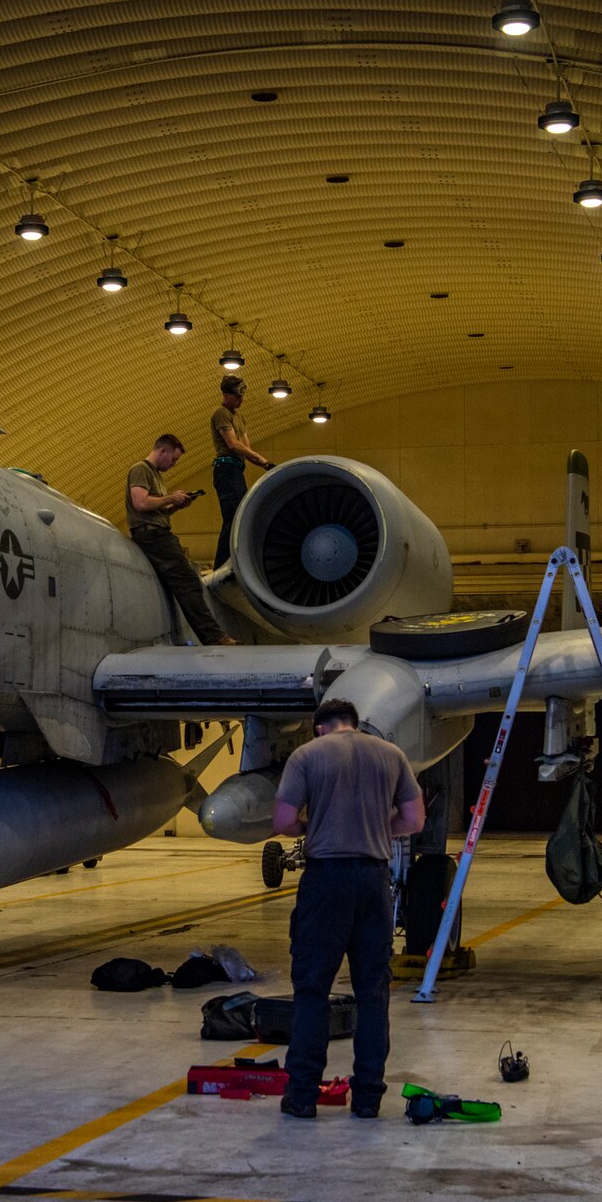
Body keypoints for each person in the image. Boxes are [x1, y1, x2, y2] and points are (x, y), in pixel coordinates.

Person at [271, 699, 426, 1119]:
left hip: (325, 882)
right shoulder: (391, 755)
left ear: (320, 728)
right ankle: (369, 1100)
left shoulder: (307, 755)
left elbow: (284, 820)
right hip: (374, 883)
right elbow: (414, 819)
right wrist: (378, 826)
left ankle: (302, 1097)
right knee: (373, 995)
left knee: (312, 991)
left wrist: (310, 827)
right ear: (355, 724)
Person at [126, 434, 236, 645]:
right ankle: (213, 637)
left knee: (187, 580)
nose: (174, 464)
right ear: (163, 451)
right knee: (188, 581)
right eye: (173, 459)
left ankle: (212, 635)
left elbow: (156, 511)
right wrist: (170, 497)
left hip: (158, 530)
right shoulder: (140, 469)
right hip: (152, 536)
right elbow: (140, 503)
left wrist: (176, 506)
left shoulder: (155, 475)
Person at [209, 378, 274, 568]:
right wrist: (263, 461)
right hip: (226, 468)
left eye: (241, 396)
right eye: (237, 396)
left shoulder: (239, 417)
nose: (240, 400)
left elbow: (246, 447)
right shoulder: (221, 413)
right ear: (226, 395)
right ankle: (222, 566)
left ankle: (235, 561)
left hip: (237, 469)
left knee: (240, 516)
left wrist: (264, 463)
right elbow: (233, 444)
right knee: (233, 517)